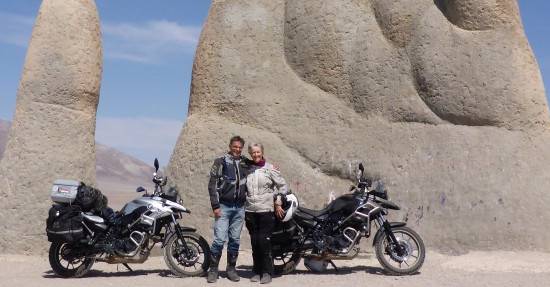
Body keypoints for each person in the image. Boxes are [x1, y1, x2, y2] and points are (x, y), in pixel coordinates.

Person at [206, 136, 250, 283]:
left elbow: (259, 164)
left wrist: (271, 167)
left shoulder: (245, 162)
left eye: (239, 147)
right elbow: (212, 185)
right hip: (223, 207)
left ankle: (231, 269)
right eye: (235, 146)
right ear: (230, 146)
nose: (237, 149)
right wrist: (215, 206)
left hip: (239, 208)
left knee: (235, 240)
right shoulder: (220, 161)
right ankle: (213, 270)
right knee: (219, 239)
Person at [244, 142, 287, 284]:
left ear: (262, 152)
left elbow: (282, 186)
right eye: (253, 152)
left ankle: (267, 272)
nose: (255, 154)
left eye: (258, 152)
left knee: (264, 242)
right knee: (255, 242)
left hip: (266, 211)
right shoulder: (247, 168)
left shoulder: (270, 169)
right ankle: (256, 271)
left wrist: (278, 201)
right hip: (250, 211)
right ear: (250, 154)